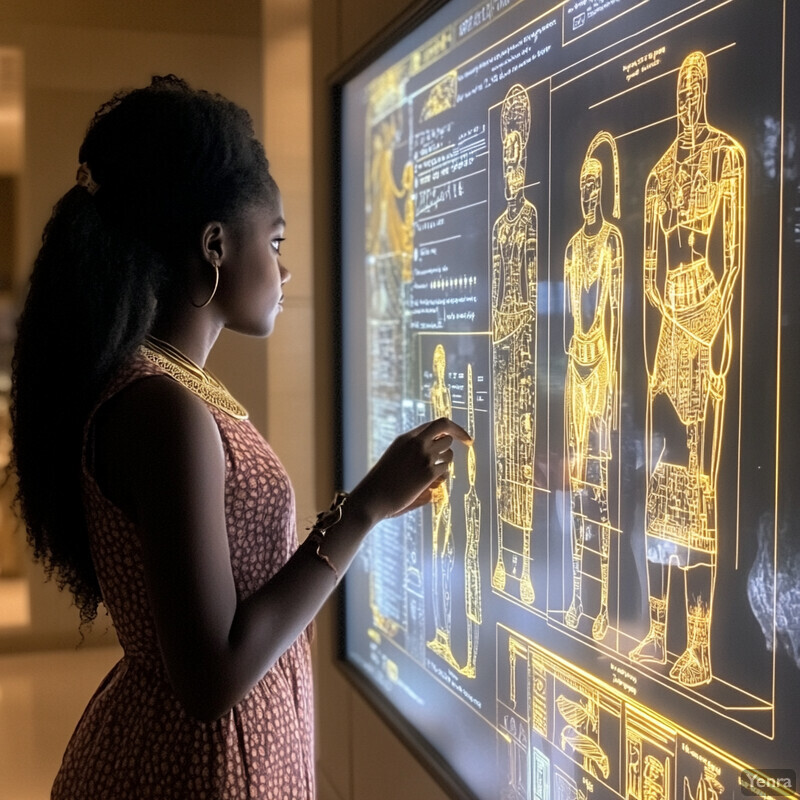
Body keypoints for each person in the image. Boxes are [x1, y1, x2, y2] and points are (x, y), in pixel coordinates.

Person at [10, 75, 470, 798]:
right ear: (215, 244)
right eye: (277, 239)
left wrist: (365, 512)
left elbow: (230, 585)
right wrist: (364, 510)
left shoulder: (165, 391)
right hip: (198, 766)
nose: (285, 270)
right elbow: (212, 675)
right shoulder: (162, 410)